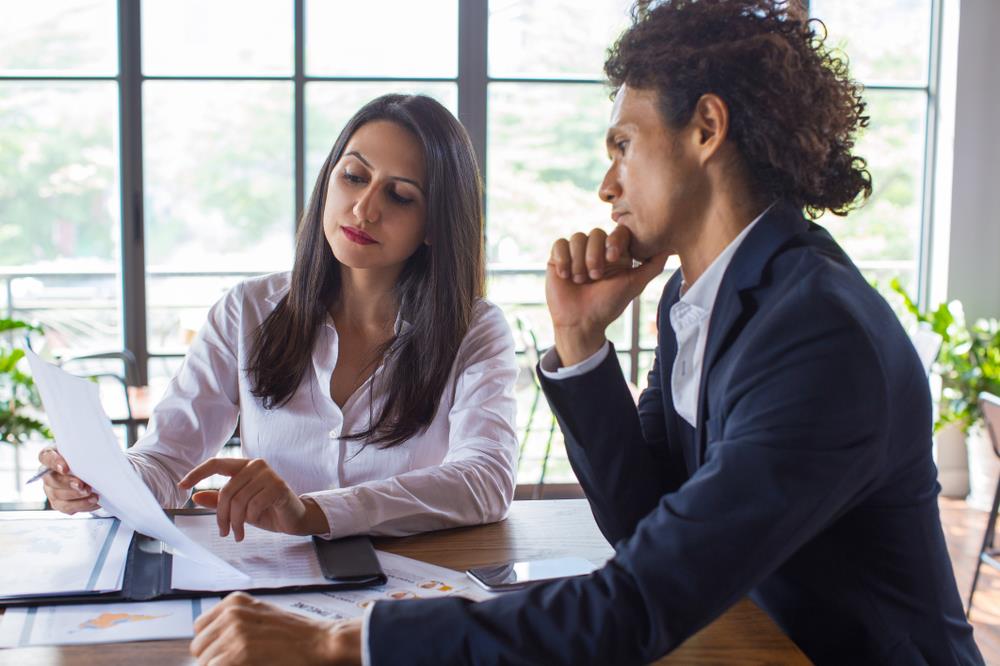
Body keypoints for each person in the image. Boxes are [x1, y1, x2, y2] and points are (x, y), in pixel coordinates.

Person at [192, 1, 985, 664]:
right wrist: (580, 343)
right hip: (754, 639)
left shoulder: (816, 336)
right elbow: (645, 525)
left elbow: (636, 603)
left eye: (622, 145)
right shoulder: (703, 298)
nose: (607, 185)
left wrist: (342, 644)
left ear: (706, 129)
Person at [38, 94, 519, 543]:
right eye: (354, 176)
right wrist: (96, 482)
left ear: (435, 223)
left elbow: (486, 479)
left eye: (400, 196)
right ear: (329, 179)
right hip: (270, 585)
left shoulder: (474, 329)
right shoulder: (247, 310)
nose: (364, 209)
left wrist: (312, 512)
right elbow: (165, 461)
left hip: (411, 594)